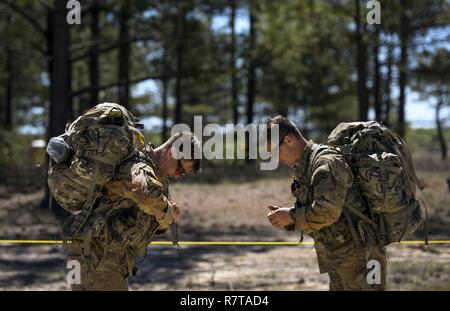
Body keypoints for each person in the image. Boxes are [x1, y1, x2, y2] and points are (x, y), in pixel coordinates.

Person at [65, 132, 201, 290]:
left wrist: (164, 218)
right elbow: (145, 194)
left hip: (90, 253)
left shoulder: (156, 178)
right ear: (173, 152)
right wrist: (169, 213)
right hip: (99, 259)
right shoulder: (138, 166)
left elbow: (147, 218)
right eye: (181, 169)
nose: (178, 175)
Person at [265, 116, 387, 291]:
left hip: (361, 257)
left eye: (274, 151)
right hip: (340, 256)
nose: (275, 159)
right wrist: (288, 215)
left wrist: (291, 216)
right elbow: (319, 206)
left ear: (289, 140)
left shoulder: (325, 164)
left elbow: (327, 212)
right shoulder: (306, 167)